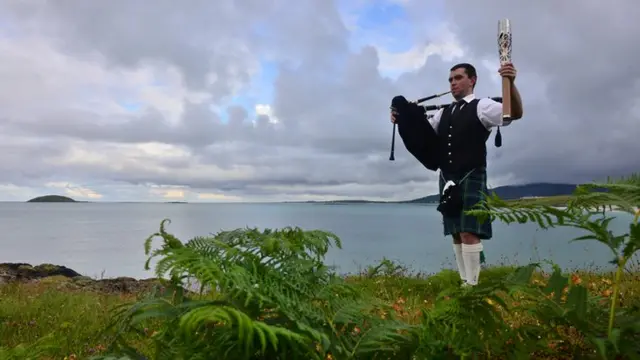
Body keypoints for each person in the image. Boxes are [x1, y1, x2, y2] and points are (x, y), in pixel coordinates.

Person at [390, 62, 523, 286]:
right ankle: (464, 280)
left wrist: (510, 83)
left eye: (458, 78)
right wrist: (403, 117)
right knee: (455, 232)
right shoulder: (444, 112)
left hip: (471, 175)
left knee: (468, 232)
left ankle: (472, 285)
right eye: (451, 80)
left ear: (472, 80)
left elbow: (515, 112)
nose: (453, 83)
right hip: (448, 178)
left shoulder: (483, 107)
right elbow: (424, 133)